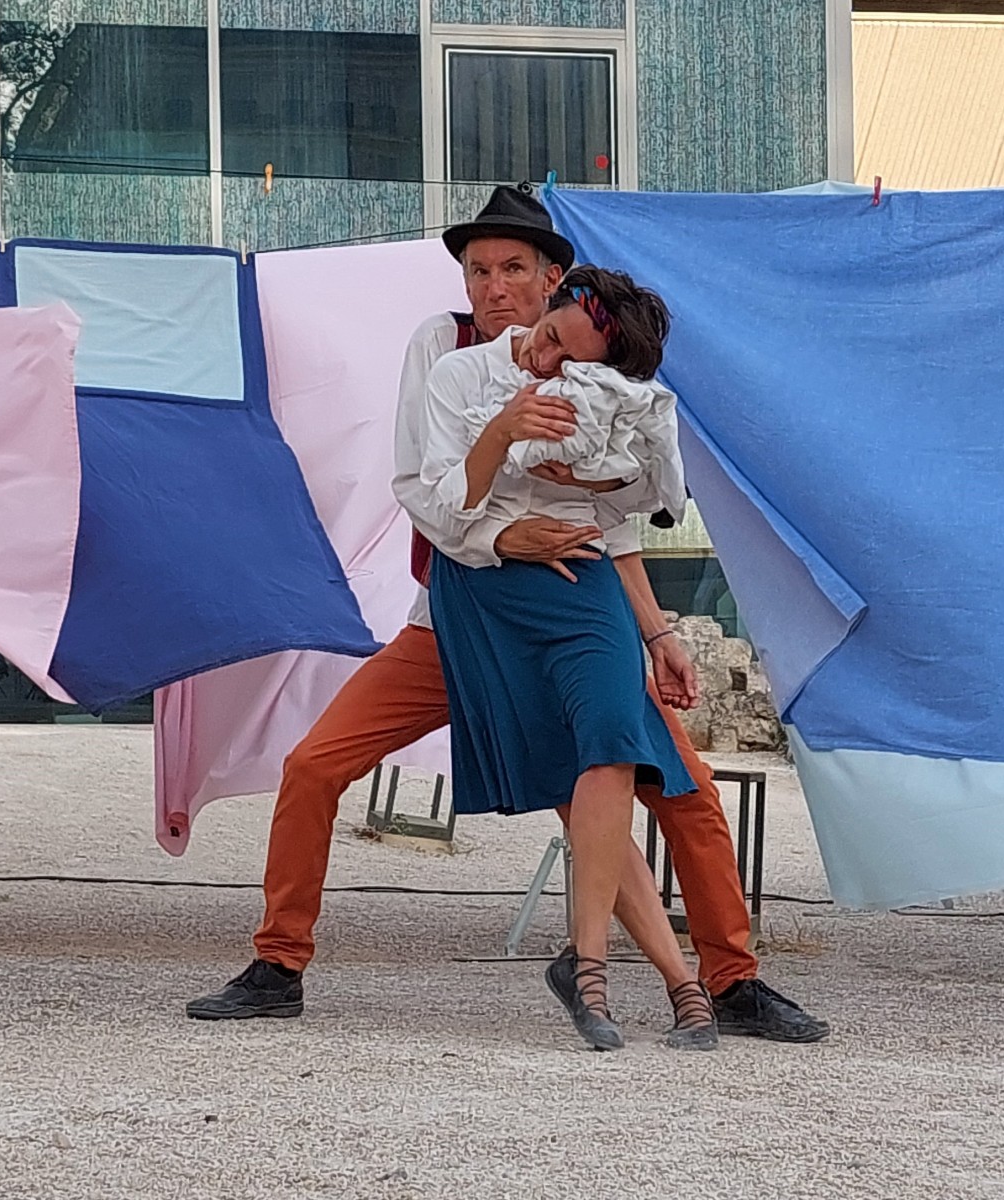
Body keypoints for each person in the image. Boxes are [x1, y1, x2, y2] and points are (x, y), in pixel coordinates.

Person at [186, 186, 828, 1046]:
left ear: (554, 280)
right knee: (314, 765)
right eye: (478, 269)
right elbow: (418, 485)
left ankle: (730, 981)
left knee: (681, 792)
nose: (493, 286)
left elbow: (614, 524)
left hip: (563, 621)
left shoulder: (600, 372)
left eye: (513, 269)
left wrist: (658, 631)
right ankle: (279, 963)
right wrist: (502, 534)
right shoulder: (445, 348)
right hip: (451, 623)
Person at [409, 264, 720, 1050]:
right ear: (548, 303)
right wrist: (503, 432)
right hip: (490, 591)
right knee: (573, 786)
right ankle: (675, 980)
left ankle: (589, 968)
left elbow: (628, 515)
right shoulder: (459, 374)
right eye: (549, 337)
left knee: (613, 746)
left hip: (584, 582)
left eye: (570, 358)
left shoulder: (602, 395)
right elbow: (443, 505)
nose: (547, 360)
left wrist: (658, 632)